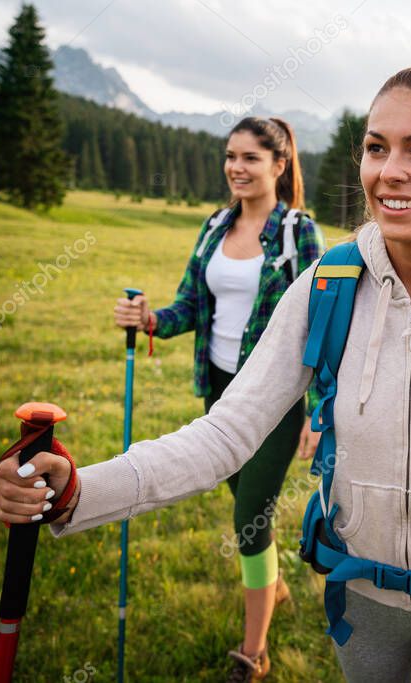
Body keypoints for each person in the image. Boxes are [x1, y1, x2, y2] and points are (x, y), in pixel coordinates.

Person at [0, 65, 411, 682]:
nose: (390, 172)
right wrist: (76, 490)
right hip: (357, 600)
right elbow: (225, 436)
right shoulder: (327, 286)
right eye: (376, 147)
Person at [111, 116, 325, 680]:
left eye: (251, 157)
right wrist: (150, 319)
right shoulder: (214, 226)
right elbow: (189, 304)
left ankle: (253, 651)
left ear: (279, 165)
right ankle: (272, 584)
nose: (236, 167)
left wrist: (320, 410)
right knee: (246, 507)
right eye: (231, 155)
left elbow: (324, 327)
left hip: (274, 400)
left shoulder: (298, 232)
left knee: (249, 518)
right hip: (219, 391)